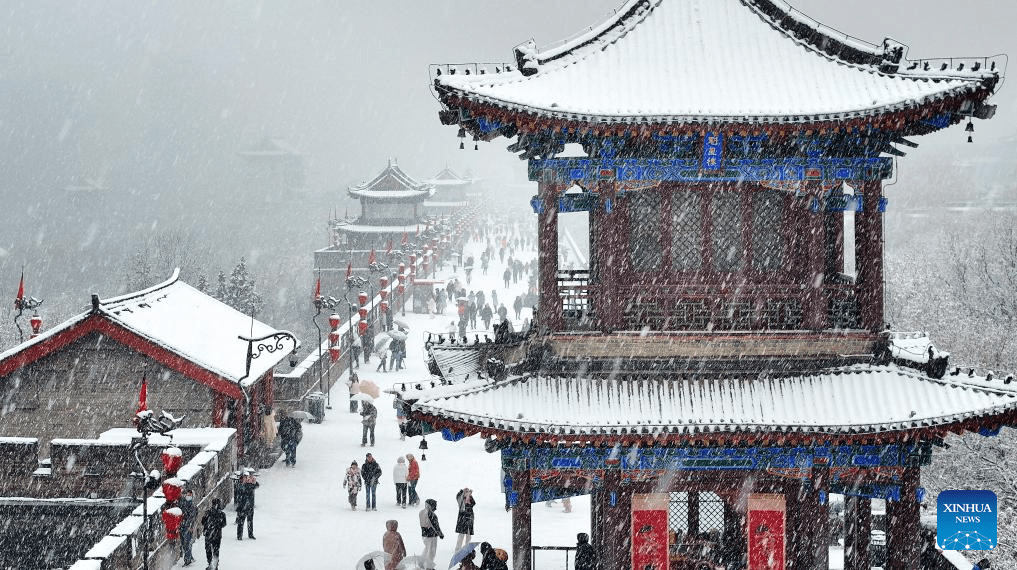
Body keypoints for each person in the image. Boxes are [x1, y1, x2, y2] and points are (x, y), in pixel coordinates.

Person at [199, 498, 227, 570]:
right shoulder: (221, 514)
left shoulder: (208, 512)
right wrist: (217, 525)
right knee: (216, 550)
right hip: (217, 535)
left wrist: (210, 525)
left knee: (208, 550)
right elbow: (224, 524)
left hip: (209, 534)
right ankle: (214, 565)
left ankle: (211, 564)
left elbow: (203, 522)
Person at [419, 499, 444, 570]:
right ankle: (429, 566)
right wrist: (440, 534)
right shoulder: (432, 515)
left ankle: (421, 561)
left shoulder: (421, 512)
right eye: (434, 506)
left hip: (424, 534)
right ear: (430, 506)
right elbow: (436, 526)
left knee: (427, 548)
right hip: (431, 535)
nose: (436, 508)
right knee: (431, 551)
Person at [234, 468, 258, 540]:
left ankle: (250, 534)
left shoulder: (249, 485)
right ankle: (239, 535)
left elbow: (256, 485)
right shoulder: (240, 485)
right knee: (241, 522)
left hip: (249, 506)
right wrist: (247, 483)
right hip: (242, 507)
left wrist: (252, 481)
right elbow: (241, 489)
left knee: (250, 521)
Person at [179, 489, 198, 566]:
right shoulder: (182, 502)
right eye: (187, 495)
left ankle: (187, 559)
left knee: (187, 543)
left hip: (188, 527)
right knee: (184, 543)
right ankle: (189, 557)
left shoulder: (192, 505)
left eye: (190, 495)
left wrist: (190, 526)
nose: (188, 496)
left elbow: (193, 517)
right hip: (182, 526)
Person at [454, 487, 476, 552]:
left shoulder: (470, 499)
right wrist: (462, 491)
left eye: (468, 492)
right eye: (466, 492)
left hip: (469, 519)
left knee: (468, 535)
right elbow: (457, 496)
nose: (467, 493)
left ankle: (467, 549)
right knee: (461, 535)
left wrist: (469, 495)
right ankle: (457, 549)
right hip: (462, 519)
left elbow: (473, 503)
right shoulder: (461, 500)